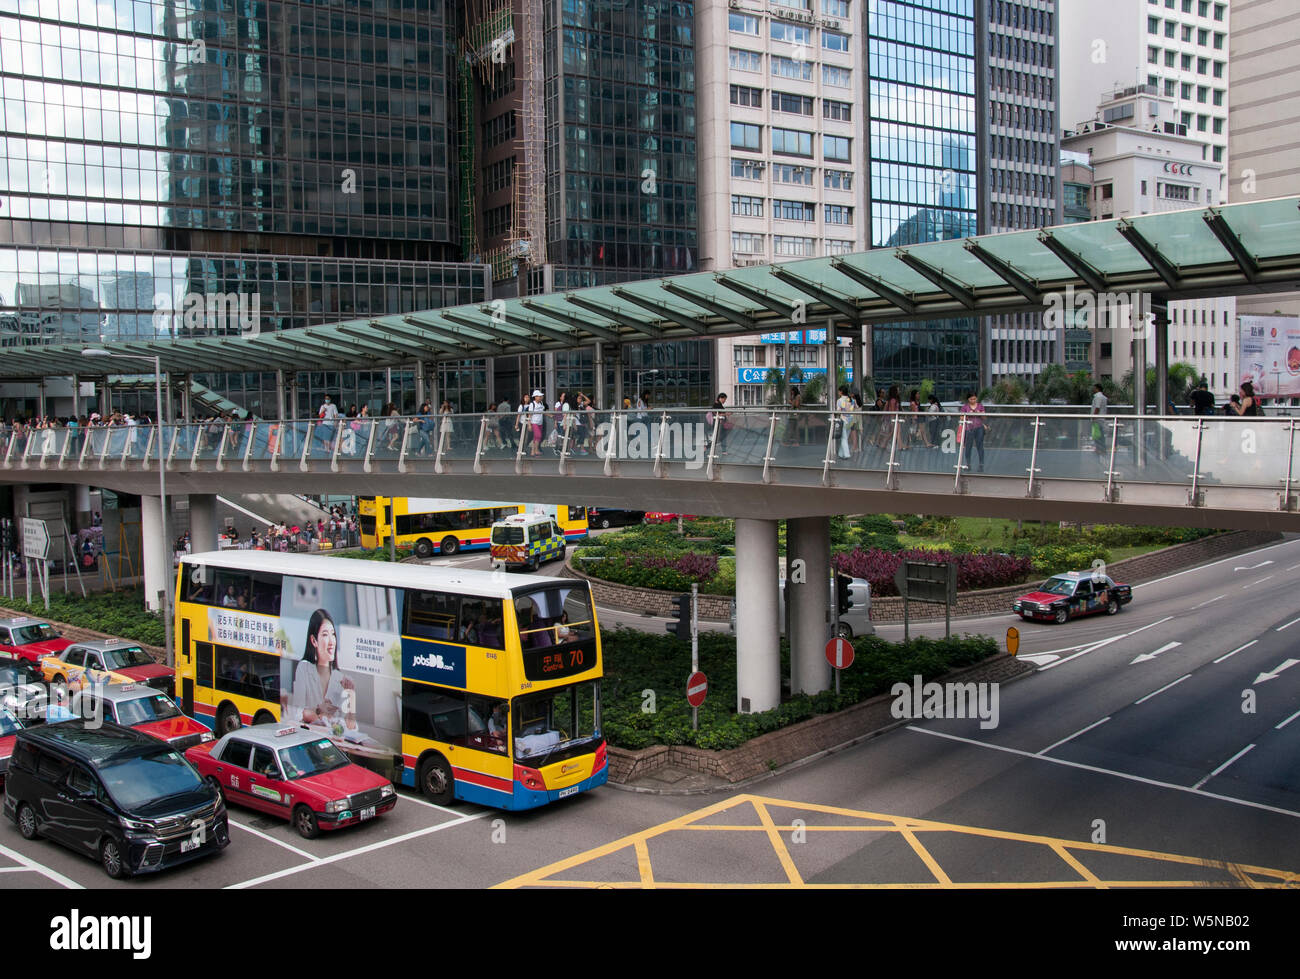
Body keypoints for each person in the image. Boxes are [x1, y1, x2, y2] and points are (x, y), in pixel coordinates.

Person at [289, 609, 356, 732]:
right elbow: (296, 712)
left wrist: (351, 695)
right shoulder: (304, 668)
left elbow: (350, 728)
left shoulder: (340, 678)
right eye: (325, 635)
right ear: (314, 641)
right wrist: (319, 711)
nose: (331, 641)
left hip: (334, 743)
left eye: (333, 634)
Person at [959, 391, 987, 472]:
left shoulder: (980, 406)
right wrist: (967, 415)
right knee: (968, 447)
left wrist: (979, 413)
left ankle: (981, 465)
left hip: (979, 428)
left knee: (980, 446)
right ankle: (968, 464)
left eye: (974, 399)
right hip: (969, 428)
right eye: (971, 399)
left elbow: (984, 417)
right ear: (968, 399)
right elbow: (961, 417)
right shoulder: (965, 407)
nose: (973, 401)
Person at [835, 386, 853, 459]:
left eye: (839, 391)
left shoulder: (840, 400)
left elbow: (838, 411)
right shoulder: (850, 400)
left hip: (843, 419)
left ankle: (846, 454)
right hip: (851, 420)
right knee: (846, 437)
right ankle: (841, 453)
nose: (838, 392)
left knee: (843, 438)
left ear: (841, 392)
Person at [1090, 383, 1109, 454]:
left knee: (1097, 434)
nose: (1093, 389)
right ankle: (1101, 449)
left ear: (1097, 388)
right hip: (1101, 417)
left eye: (1094, 388)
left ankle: (1099, 449)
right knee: (1100, 434)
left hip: (1097, 419)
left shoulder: (1098, 397)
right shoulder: (1103, 397)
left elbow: (1097, 408)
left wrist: (1093, 417)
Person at [527, 390, 546, 456]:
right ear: (535, 397)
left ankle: (534, 451)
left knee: (536, 437)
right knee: (538, 435)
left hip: (540, 422)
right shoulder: (532, 404)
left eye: (541, 396)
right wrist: (529, 425)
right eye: (539, 396)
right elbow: (529, 415)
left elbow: (543, 412)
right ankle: (535, 450)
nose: (540, 397)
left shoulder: (541, 403)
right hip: (534, 422)